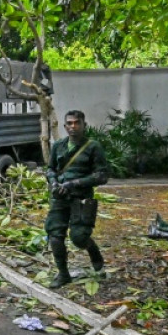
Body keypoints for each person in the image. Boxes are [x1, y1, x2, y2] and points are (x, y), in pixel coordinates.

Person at [45, 110, 109, 289]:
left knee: (79, 238)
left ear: (84, 125)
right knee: (55, 236)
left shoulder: (93, 147)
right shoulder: (58, 145)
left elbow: (102, 176)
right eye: (70, 123)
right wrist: (54, 182)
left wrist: (75, 183)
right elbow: (50, 168)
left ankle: (93, 252)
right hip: (60, 198)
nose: (73, 127)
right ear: (65, 126)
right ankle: (63, 274)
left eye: (77, 123)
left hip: (81, 198)